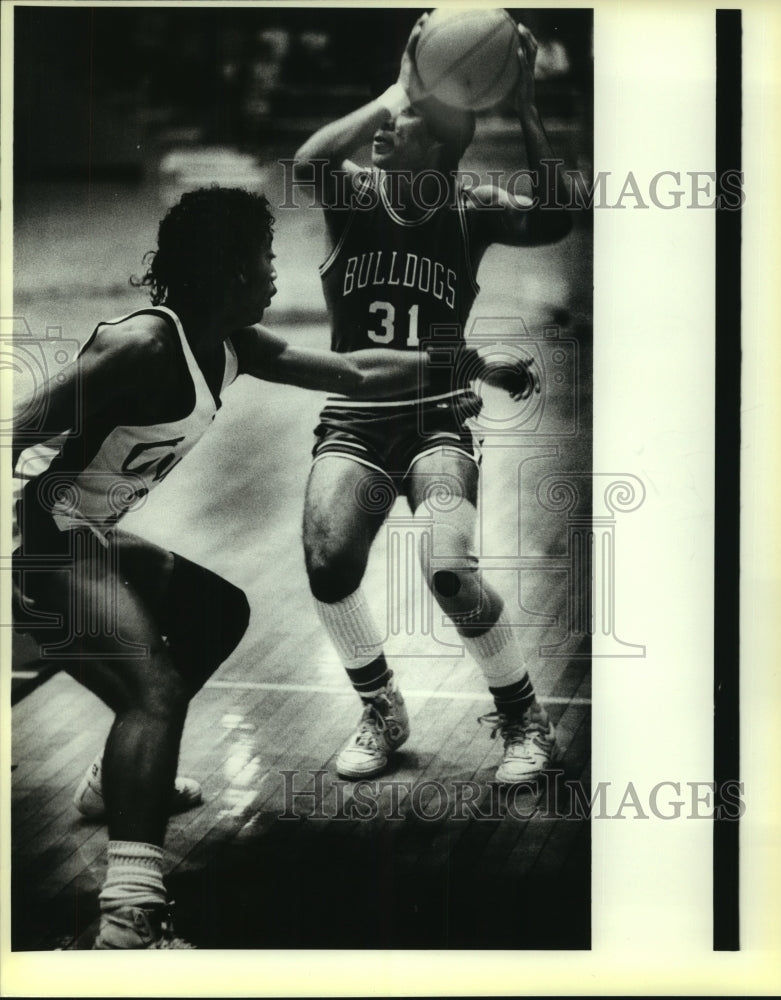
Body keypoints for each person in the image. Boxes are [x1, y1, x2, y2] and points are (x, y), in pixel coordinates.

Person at [11, 185, 533, 949]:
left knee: (213, 614)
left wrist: (471, 360)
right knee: (152, 693)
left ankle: (114, 783)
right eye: (264, 259)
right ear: (227, 270)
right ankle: (127, 923)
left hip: (81, 527)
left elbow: (354, 372)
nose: (273, 274)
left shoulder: (231, 346)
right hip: (39, 537)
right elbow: (18, 422)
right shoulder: (142, 346)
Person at [293, 15, 572, 784]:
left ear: (440, 151)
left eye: (404, 125)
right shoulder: (352, 197)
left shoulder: (466, 208)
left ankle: (523, 718)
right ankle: (380, 705)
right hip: (354, 420)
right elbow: (310, 158)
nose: (385, 131)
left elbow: (557, 214)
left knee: (449, 572)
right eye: (388, 119)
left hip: (437, 423)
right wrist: (397, 90)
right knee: (326, 564)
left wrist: (524, 109)